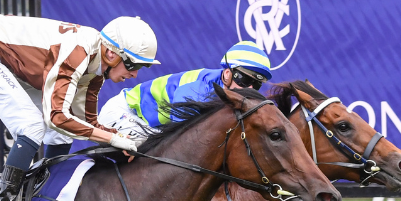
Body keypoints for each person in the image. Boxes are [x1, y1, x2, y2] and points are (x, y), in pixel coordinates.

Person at [0, 15, 159, 201]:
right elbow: (57, 117)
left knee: (62, 134)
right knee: (32, 125)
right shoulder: (78, 52)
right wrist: (112, 138)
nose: (135, 75)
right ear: (111, 54)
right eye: (133, 65)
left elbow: (87, 122)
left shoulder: (95, 71)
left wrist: (120, 141)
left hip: (9, 60)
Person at [99, 40, 272, 139]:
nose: (250, 88)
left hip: (147, 124)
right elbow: (180, 136)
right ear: (227, 73)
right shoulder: (200, 89)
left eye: (256, 84)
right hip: (125, 113)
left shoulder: (226, 91)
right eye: (245, 80)